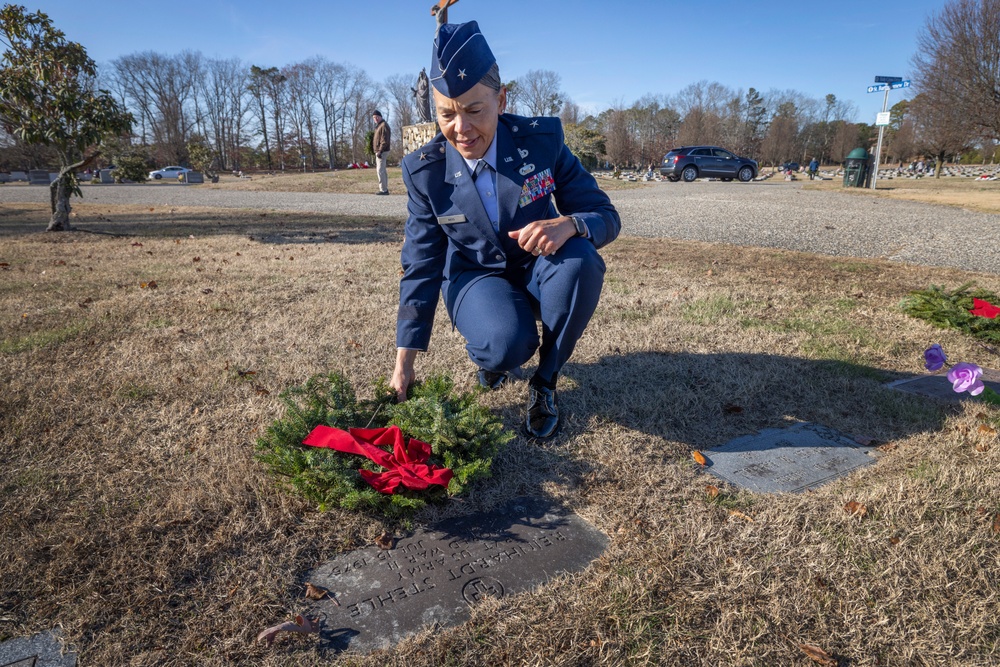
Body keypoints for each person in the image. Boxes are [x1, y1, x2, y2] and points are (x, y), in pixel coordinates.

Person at [390, 19, 620, 439]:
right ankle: (492, 354)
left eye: (475, 110)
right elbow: (420, 266)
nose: (461, 129)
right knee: (505, 344)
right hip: (475, 276)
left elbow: (604, 214)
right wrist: (404, 362)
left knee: (583, 261)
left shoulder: (541, 142)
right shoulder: (424, 172)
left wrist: (569, 224)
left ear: (501, 99)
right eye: (446, 114)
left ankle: (545, 382)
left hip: (538, 269)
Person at [372, 110, 391, 194]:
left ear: (380, 117)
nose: (375, 119)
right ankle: (384, 188)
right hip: (380, 151)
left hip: (382, 151)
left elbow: (384, 140)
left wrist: (380, 150)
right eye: (374, 117)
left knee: (380, 170)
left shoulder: (383, 125)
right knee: (382, 170)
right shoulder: (379, 126)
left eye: (377, 117)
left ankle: (383, 190)